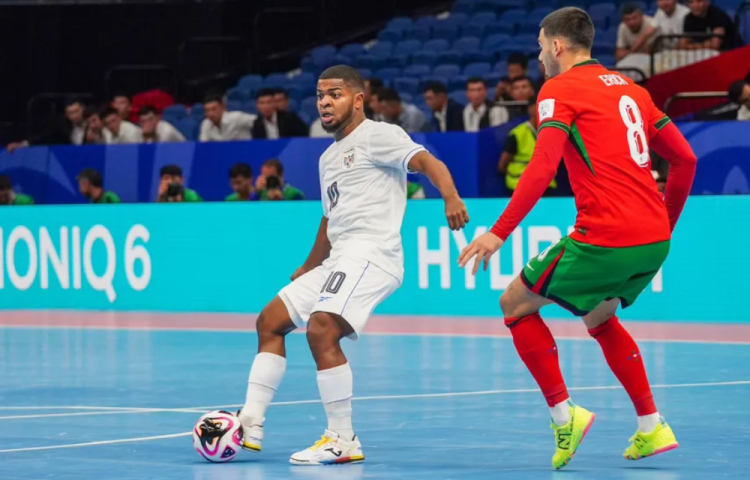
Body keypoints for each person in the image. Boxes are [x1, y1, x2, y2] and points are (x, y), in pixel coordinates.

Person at [458, 7, 697, 470]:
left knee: (514, 304)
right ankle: (651, 426)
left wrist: (498, 232)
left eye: (541, 45)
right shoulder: (632, 88)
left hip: (605, 234)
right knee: (599, 316)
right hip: (654, 239)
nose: (539, 55)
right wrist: (664, 224)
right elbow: (685, 159)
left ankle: (565, 416)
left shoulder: (559, 89)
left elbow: (543, 165)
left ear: (557, 45)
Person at [236, 64, 469, 466]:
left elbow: (429, 163)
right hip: (340, 256)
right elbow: (330, 220)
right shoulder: (328, 157)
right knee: (269, 321)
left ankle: (342, 439)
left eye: (335, 94)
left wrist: (450, 197)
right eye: (321, 95)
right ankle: (250, 423)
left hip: (373, 253)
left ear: (358, 99)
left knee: (322, 329)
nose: (325, 102)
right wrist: (308, 266)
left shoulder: (380, 135)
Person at [498, 95, 557, 194]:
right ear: (530, 109)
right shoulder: (517, 134)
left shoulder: (553, 132)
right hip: (519, 187)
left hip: (546, 188)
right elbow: (502, 166)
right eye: (540, 106)